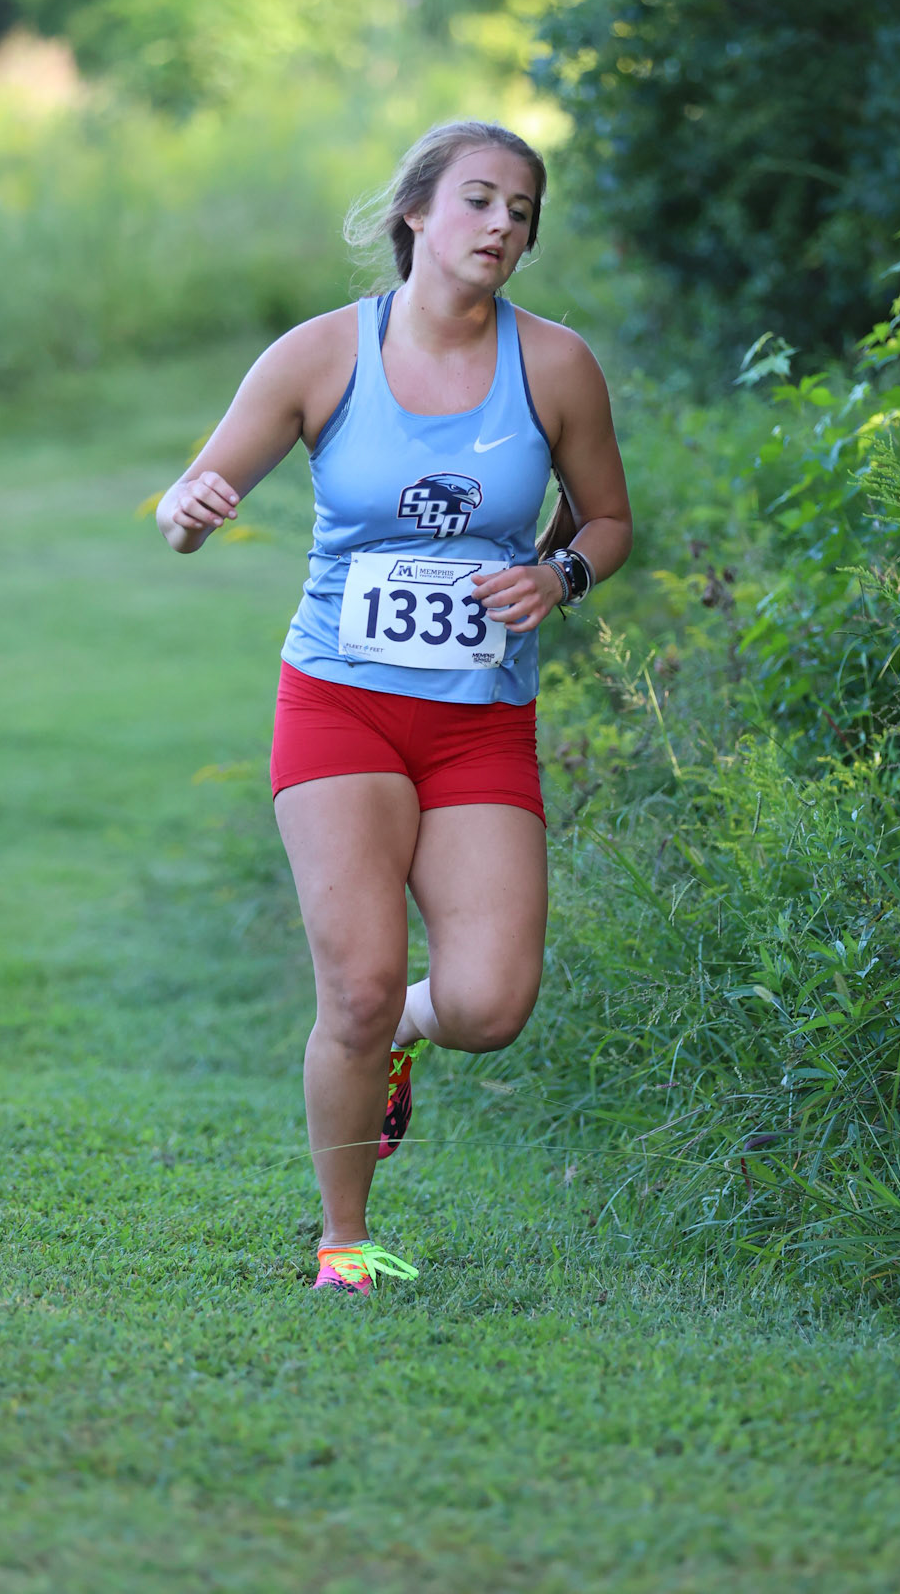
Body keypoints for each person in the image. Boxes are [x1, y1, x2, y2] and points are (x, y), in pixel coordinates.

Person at [156, 120, 632, 1293]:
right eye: (479, 199)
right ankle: (342, 1240)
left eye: (522, 210)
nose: (502, 226)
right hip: (339, 704)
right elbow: (189, 494)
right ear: (417, 210)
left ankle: (408, 1032)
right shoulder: (321, 355)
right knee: (355, 984)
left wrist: (558, 573)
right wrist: (189, 507)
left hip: (479, 718)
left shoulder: (556, 365)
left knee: (489, 1000)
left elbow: (608, 520)